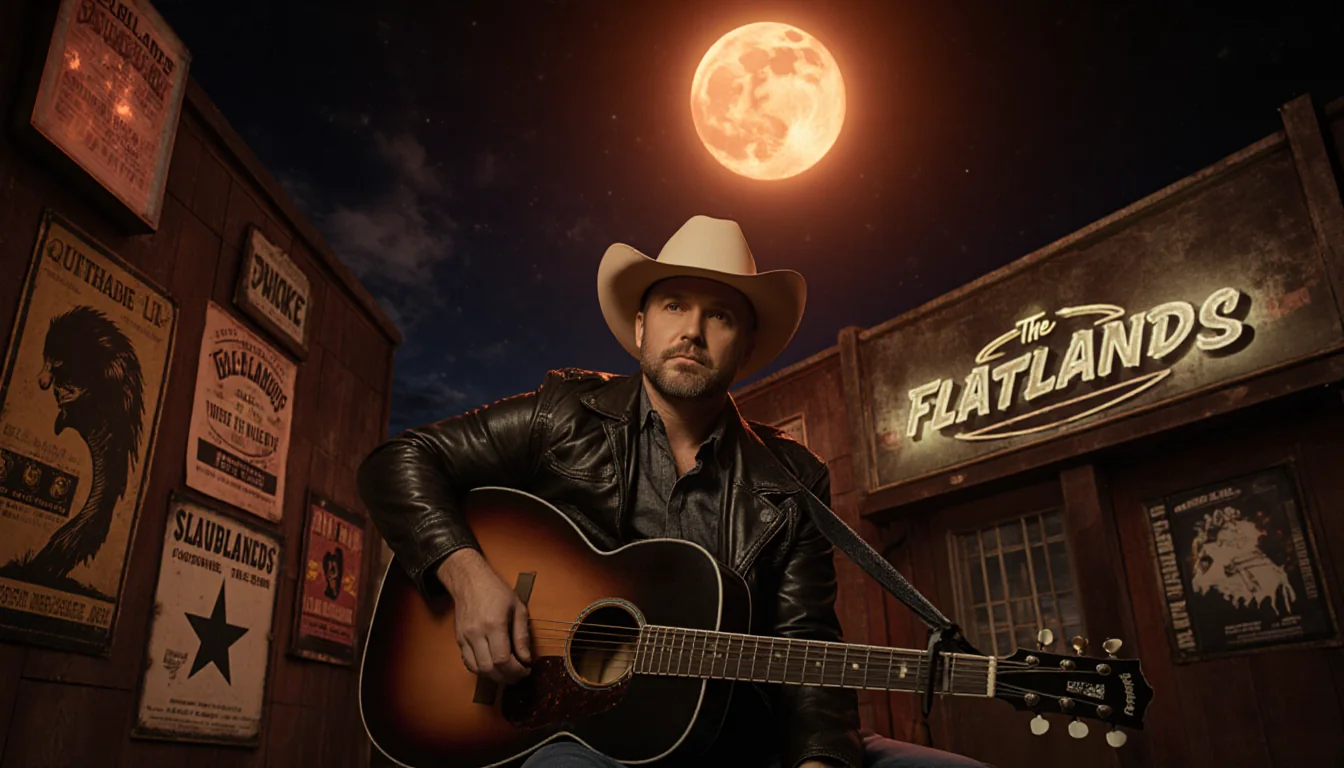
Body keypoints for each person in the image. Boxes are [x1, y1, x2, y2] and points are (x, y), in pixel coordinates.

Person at [357, 215, 989, 768]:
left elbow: (808, 645)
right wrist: (467, 577)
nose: (692, 330)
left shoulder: (793, 480)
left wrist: (820, 760)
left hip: (741, 741)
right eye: (673, 306)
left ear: (744, 346)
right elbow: (399, 462)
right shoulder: (562, 415)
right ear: (640, 327)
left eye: (719, 315)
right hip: (575, 737)